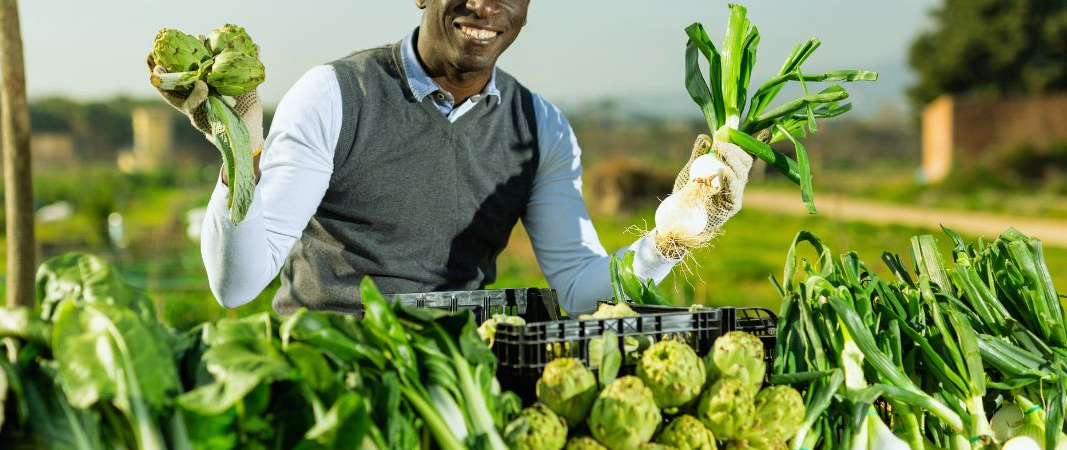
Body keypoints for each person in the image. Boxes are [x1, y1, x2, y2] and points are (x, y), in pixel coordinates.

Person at [151, 0, 752, 317]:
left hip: (457, 381)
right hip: (330, 379)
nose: (484, 5)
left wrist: (674, 233)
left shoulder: (540, 127)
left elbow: (577, 289)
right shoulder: (336, 95)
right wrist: (238, 146)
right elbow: (237, 284)